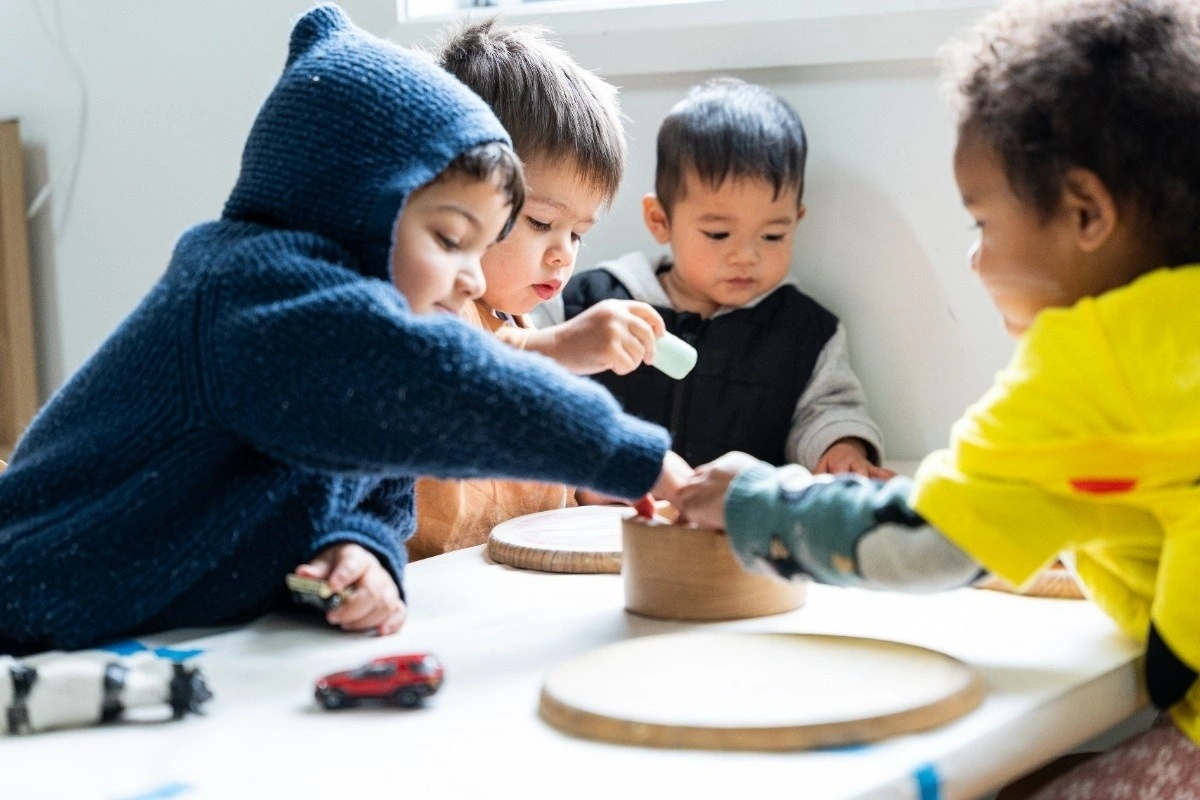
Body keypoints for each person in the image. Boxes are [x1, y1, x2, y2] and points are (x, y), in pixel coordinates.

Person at [0, 4, 680, 657]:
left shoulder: (361, 371)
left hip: (168, 632)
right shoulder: (250, 290)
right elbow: (440, 388)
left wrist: (362, 550)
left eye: (481, 250)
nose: (471, 280)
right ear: (353, 206)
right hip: (32, 604)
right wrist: (647, 462)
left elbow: (377, 493)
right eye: (449, 239)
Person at [673, 1, 1200, 796]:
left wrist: (757, 503)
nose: (975, 258)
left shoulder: (1094, 365)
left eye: (983, 221)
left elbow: (924, 545)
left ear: (1087, 212)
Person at [408, 19, 668, 560]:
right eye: (540, 222)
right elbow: (468, 374)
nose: (563, 254)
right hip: (424, 587)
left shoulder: (522, 320)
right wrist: (561, 350)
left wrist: (600, 482)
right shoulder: (429, 304)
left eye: (577, 234)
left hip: (512, 583)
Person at [558, 77, 890, 478]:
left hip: (735, 527)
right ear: (660, 221)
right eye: (718, 234)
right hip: (604, 521)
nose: (746, 256)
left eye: (773, 235)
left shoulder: (806, 331)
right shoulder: (593, 302)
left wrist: (841, 449)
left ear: (796, 221)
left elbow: (827, 411)